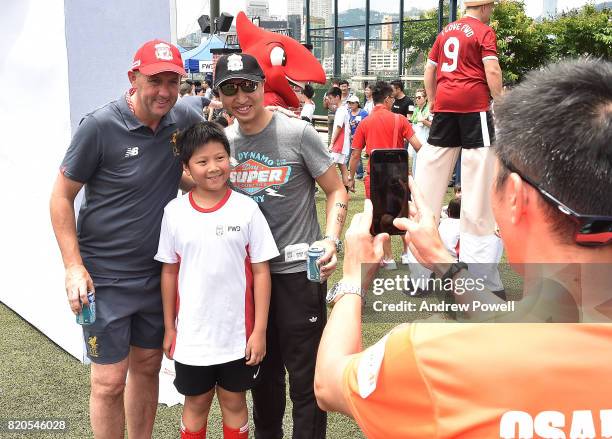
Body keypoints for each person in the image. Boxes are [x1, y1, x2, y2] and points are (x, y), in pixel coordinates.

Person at [314, 59, 612, 438]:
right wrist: (443, 262)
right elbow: (519, 326)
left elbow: (329, 381)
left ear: (517, 197)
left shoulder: (430, 354)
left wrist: (353, 277)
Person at [49, 39, 204, 438]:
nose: (165, 91)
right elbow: (61, 197)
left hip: (157, 276)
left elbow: (178, 175)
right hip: (106, 279)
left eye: (173, 81)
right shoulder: (100, 126)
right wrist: (73, 266)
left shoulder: (180, 120)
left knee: (149, 367)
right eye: (156, 80)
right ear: (133, 78)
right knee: (108, 382)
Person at [214, 53, 349, 439]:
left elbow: (336, 189)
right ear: (220, 95)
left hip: (296, 277)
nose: (241, 96)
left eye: (248, 85)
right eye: (230, 88)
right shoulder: (223, 144)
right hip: (248, 282)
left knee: (306, 383)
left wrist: (331, 239)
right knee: (262, 380)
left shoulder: (298, 133)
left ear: (262, 85)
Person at [155, 122, 278, 439]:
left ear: (229, 158)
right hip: (192, 337)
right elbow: (169, 272)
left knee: (235, 402)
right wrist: (170, 327)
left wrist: (259, 330)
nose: (213, 168)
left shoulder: (246, 209)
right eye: (202, 161)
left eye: (220, 158)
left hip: (237, 336)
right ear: (186, 167)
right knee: (195, 403)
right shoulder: (174, 213)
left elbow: (261, 272)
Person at [415, 0, 503, 288]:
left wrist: (433, 101)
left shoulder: (445, 32)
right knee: (478, 193)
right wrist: (500, 102)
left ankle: (420, 275)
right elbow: (491, 71)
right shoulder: (483, 31)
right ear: (486, 7)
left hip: (445, 109)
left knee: (428, 185)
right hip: (474, 109)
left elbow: (430, 71)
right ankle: (481, 280)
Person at [348, 81, 422, 267]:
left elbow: (355, 154)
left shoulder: (365, 123)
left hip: (375, 178)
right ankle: (407, 255)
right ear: (388, 99)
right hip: (398, 176)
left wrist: (350, 177)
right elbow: (418, 146)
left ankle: (388, 259)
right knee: (402, 213)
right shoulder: (401, 120)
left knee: (379, 217)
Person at [327, 87, 351, 190]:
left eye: (331, 98)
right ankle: (346, 188)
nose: (330, 100)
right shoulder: (341, 109)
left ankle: (337, 188)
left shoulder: (341, 110)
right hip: (342, 144)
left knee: (330, 166)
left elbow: (338, 127)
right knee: (342, 166)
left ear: (337, 97)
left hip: (339, 144)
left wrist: (332, 143)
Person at [409, 88, 432, 176]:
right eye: (416, 98)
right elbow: (413, 122)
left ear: (425, 98)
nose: (417, 99)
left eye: (419, 97)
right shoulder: (416, 110)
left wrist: (424, 121)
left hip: (426, 141)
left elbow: (434, 126)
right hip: (416, 140)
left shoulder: (429, 109)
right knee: (415, 162)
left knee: (424, 165)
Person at [347, 95, 368, 180]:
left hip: (360, 137)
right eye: (349, 103)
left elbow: (367, 124)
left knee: (356, 154)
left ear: (357, 103)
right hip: (350, 136)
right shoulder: (348, 112)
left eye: (352, 103)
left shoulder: (363, 113)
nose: (351, 105)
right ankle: (349, 172)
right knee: (349, 154)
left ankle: (359, 173)